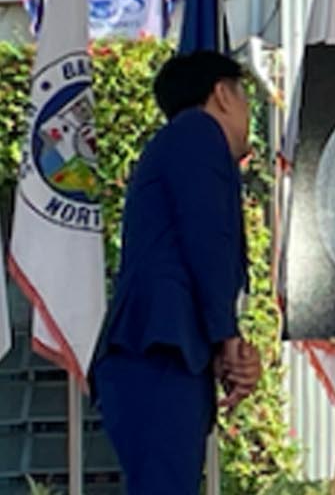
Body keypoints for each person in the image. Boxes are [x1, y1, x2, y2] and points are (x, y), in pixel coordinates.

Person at [90, 51, 263, 493]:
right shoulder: (198, 133)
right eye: (245, 97)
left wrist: (222, 342)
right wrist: (227, 337)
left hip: (166, 348)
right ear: (223, 94)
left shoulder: (177, 143)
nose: (248, 115)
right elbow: (208, 239)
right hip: (159, 349)